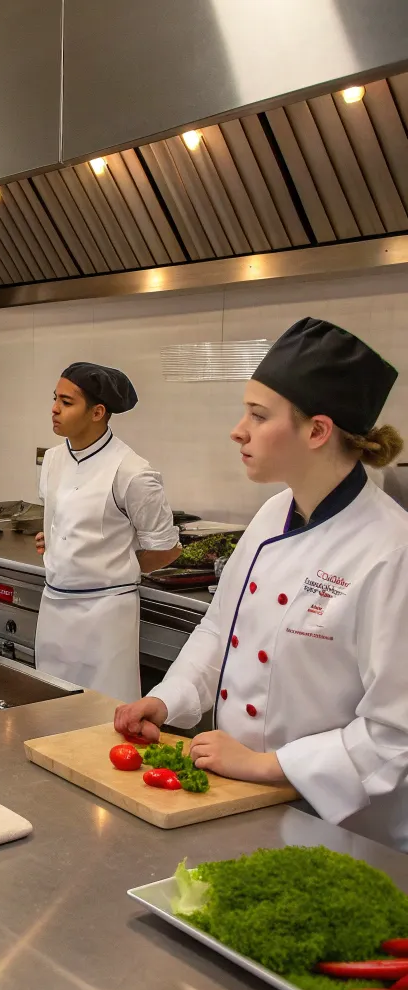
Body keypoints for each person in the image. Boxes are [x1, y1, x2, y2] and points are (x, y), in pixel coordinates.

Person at [115, 317, 408, 853]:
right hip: (243, 799)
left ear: (317, 431)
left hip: (343, 830)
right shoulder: (274, 514)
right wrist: (167, 698)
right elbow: (220, 629)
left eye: (258, 415)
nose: (238, 430)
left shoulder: (391, 551)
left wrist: (267, 765)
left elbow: (396, 734)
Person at [34, 363, 181, 700]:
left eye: (67, 402)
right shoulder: (54, 459)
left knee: (104, 718)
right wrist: (57, 541)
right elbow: (61, 517)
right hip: (54, 606)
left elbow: (167, 548)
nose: (54, 409)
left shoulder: (132, 472)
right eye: (55, 399)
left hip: (105, 615)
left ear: (98, 412)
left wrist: (110, 566)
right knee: (51, 709)